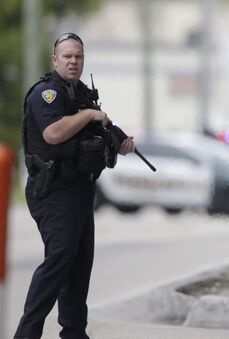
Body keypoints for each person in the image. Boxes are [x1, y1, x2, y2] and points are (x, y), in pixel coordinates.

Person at [14, 33, 135, 339]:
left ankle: (74, 333)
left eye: (78, 56)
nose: (73, 61)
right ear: (55, 60)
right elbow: (53, 133)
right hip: (52, 189)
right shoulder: (47, 94)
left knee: (79, 267)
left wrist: (118, 141)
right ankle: (26, 334)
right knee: (59, 260)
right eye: (67, 56)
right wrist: (89, 114)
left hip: (81, 189)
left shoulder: (81, 93)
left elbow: (95, 131)